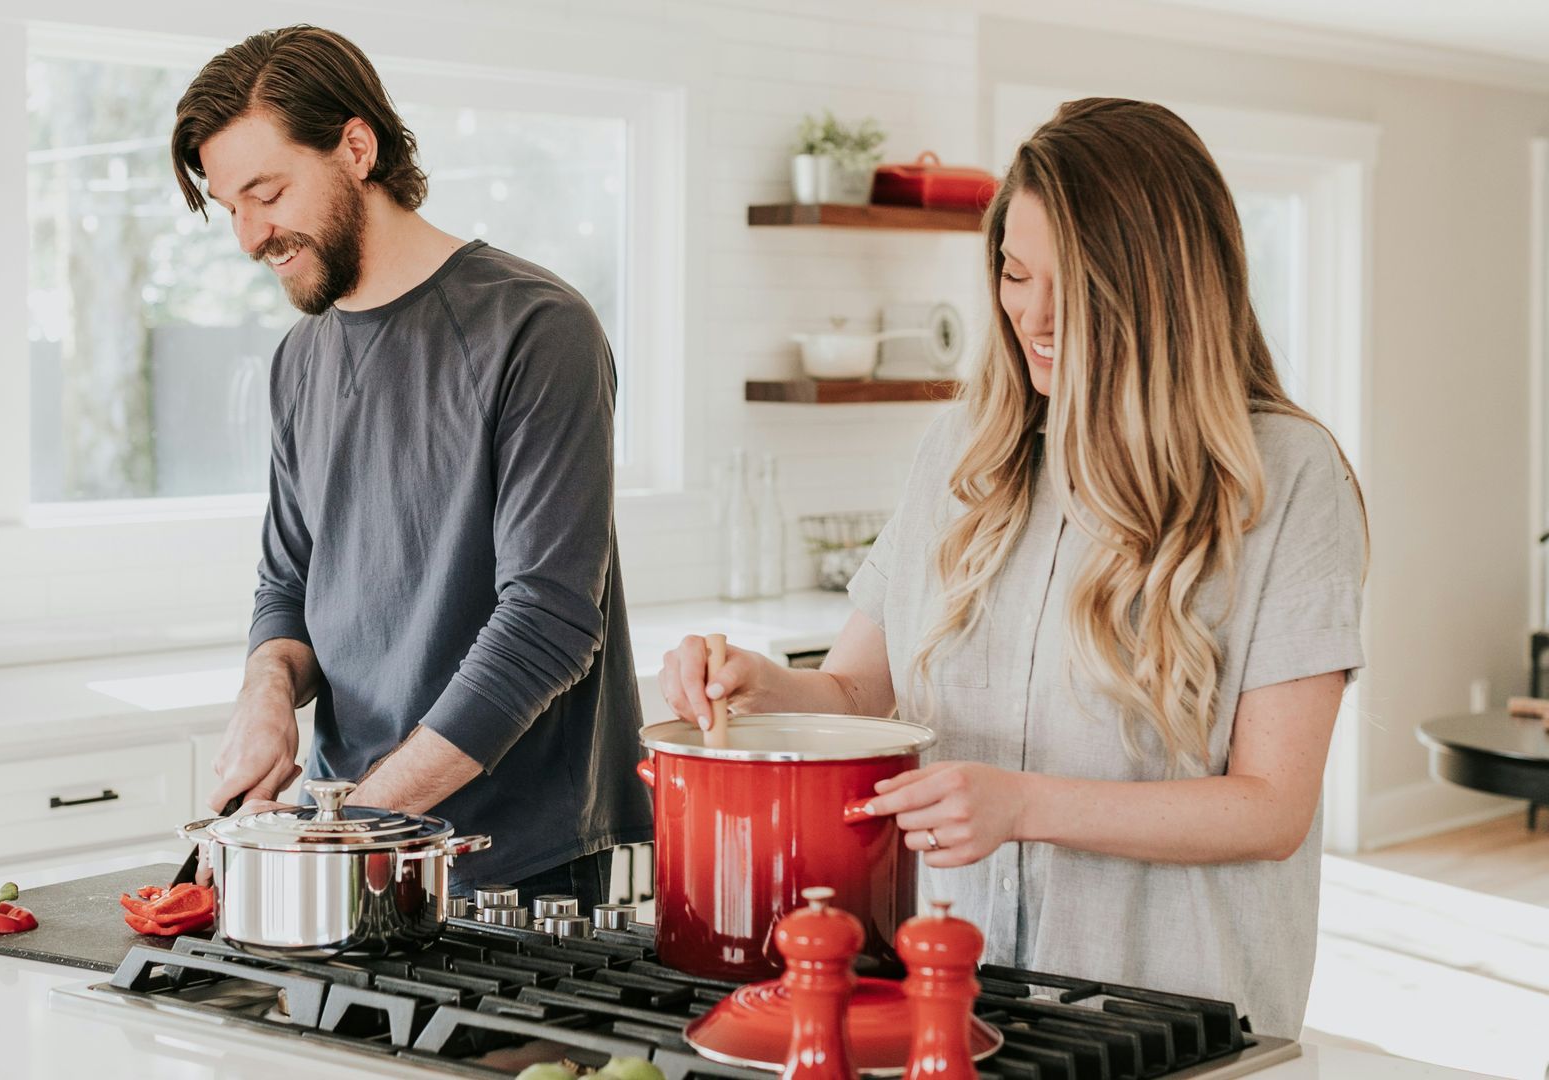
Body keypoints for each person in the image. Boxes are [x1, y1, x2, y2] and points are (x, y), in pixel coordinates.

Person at [659, 98, 1365, 1038]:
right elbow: (865, 691)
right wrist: (763, 688)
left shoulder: (1285, 478)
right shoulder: (962, 451)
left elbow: (1271, 807)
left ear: (1164, 288)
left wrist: (1025, 805)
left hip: (1164, 1017)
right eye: (1013, 272)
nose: (1032, 315)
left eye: (1072, 284)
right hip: (954, 1000)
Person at [172, 25, 651, 910]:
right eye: (228, 206)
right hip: (341, 843)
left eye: (266, 193)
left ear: (357, 147)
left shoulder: (537, 328)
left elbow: (549, 622)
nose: (248, 237)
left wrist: (350, 828)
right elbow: (289, 584)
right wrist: (266, 692)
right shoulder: (300, 357)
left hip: (513, 864)